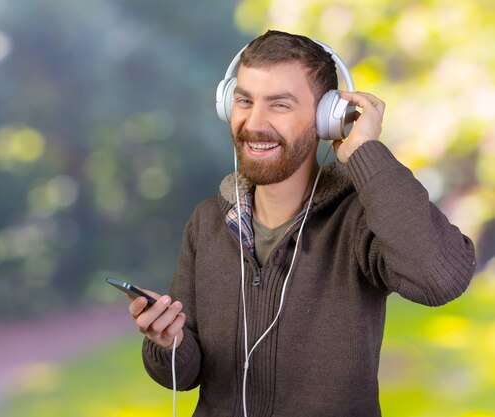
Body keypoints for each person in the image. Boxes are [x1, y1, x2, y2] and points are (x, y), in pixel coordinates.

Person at [127, 30, 476, 417]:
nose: (254, 122)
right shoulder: (207, 221)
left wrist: (366, 154)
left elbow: (441, 278)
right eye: (244, 100)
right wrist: (168, 341)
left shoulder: (361, 219)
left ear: (328, 119)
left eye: (279, 105)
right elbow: (182, 375)